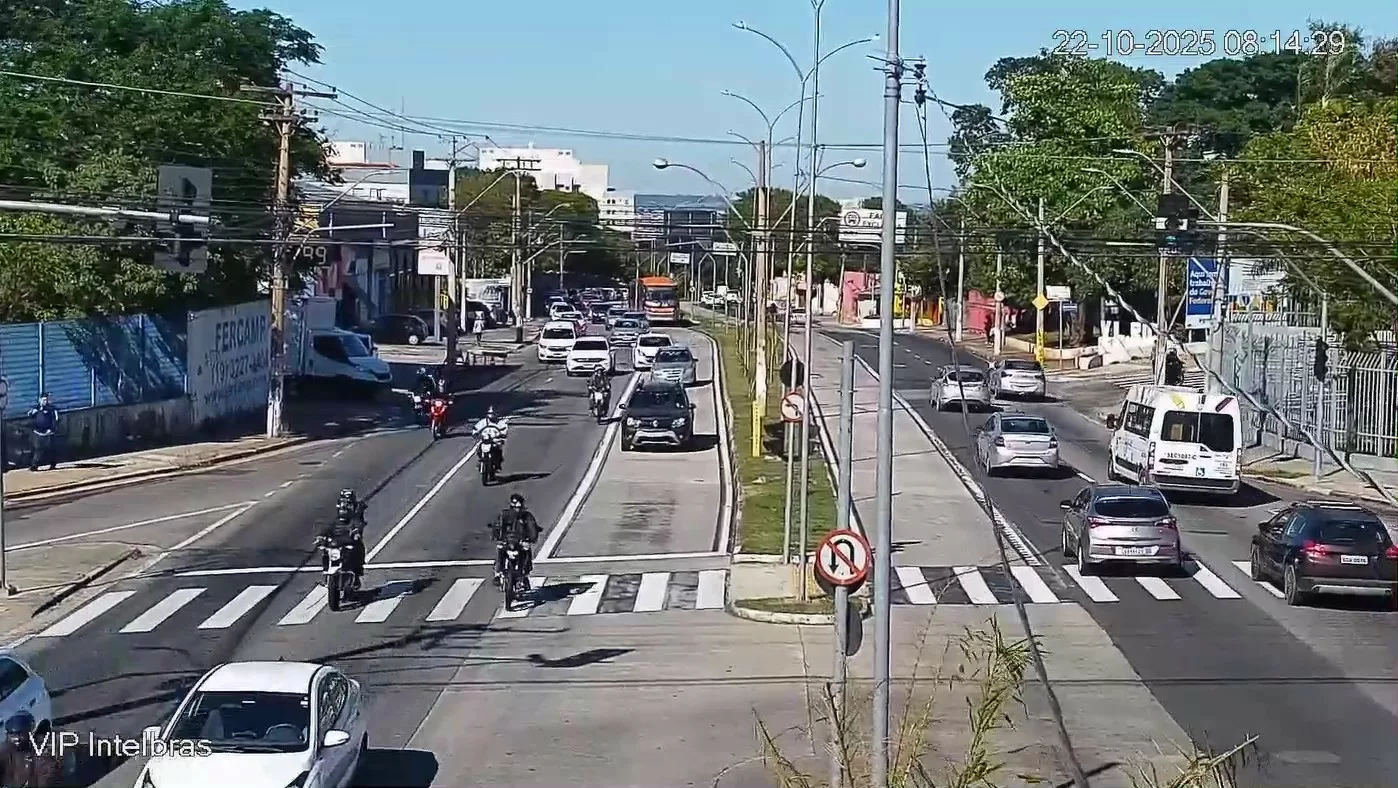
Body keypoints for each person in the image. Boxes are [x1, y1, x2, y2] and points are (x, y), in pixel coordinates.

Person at [0, 712, 62, 787]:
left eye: (21, 734)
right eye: (12, 734)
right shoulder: (4, 750)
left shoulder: (41, 749)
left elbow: (46, 774)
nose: (17, 738)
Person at [491, 493, 541, 585]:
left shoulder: (527, 516)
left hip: (521, 542)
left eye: (519, 506)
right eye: (515, 506)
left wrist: (531, 538)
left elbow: (532, 527)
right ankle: (498, 572)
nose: (517, 509)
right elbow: (498, 526)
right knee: (500, 549)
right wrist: (497, 536)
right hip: (508, 541)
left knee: (527, 551)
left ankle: (525, 573)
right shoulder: (504, 515)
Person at [319, 488, 366, 581]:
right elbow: (328, 527)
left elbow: (359, 522)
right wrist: (321, 537)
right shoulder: (336, 517)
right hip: (337, 540)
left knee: (358, 547)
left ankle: (357, 570)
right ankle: (325, 569)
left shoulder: (358, 509)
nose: (344, 507)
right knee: (325, 551)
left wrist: (356, 532)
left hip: (350, 537)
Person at [26, 393, 59, 472]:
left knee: (50, 449)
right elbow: (29, 416)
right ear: (39, 400)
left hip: (48, 433)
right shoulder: (36, 408)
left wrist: (51, 429)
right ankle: (34, 465)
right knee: (38, 449)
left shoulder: (51, 409)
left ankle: (53, 463)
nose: (45, 401)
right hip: (38, 432)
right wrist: (31, 413)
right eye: (43, 400)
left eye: (46, 400)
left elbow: (55, 419)